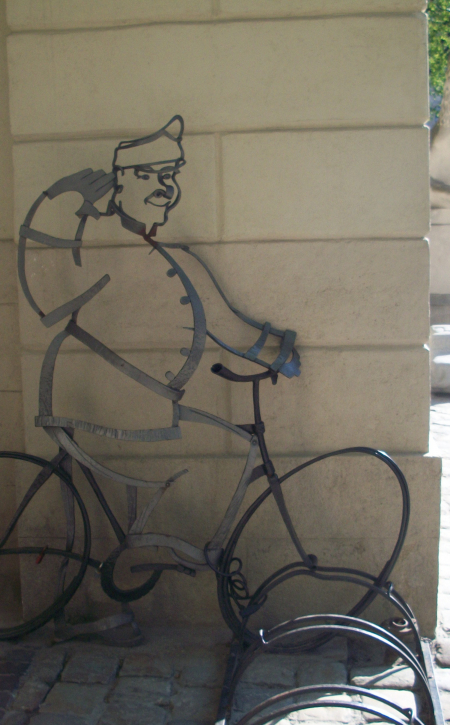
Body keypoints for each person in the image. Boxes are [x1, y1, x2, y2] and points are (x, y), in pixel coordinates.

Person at [17, 115, 299, 491]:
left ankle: (156, 525)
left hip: (145, 401)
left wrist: (279, 352)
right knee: (206, 471)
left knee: (232, 452)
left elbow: (222, 321)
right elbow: (47, 300)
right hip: (96, 402)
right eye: (149, 176)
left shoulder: (175, 255)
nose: (166, 189)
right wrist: (57, 199)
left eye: (170, 176)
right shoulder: (100, 244)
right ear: (118, 185)